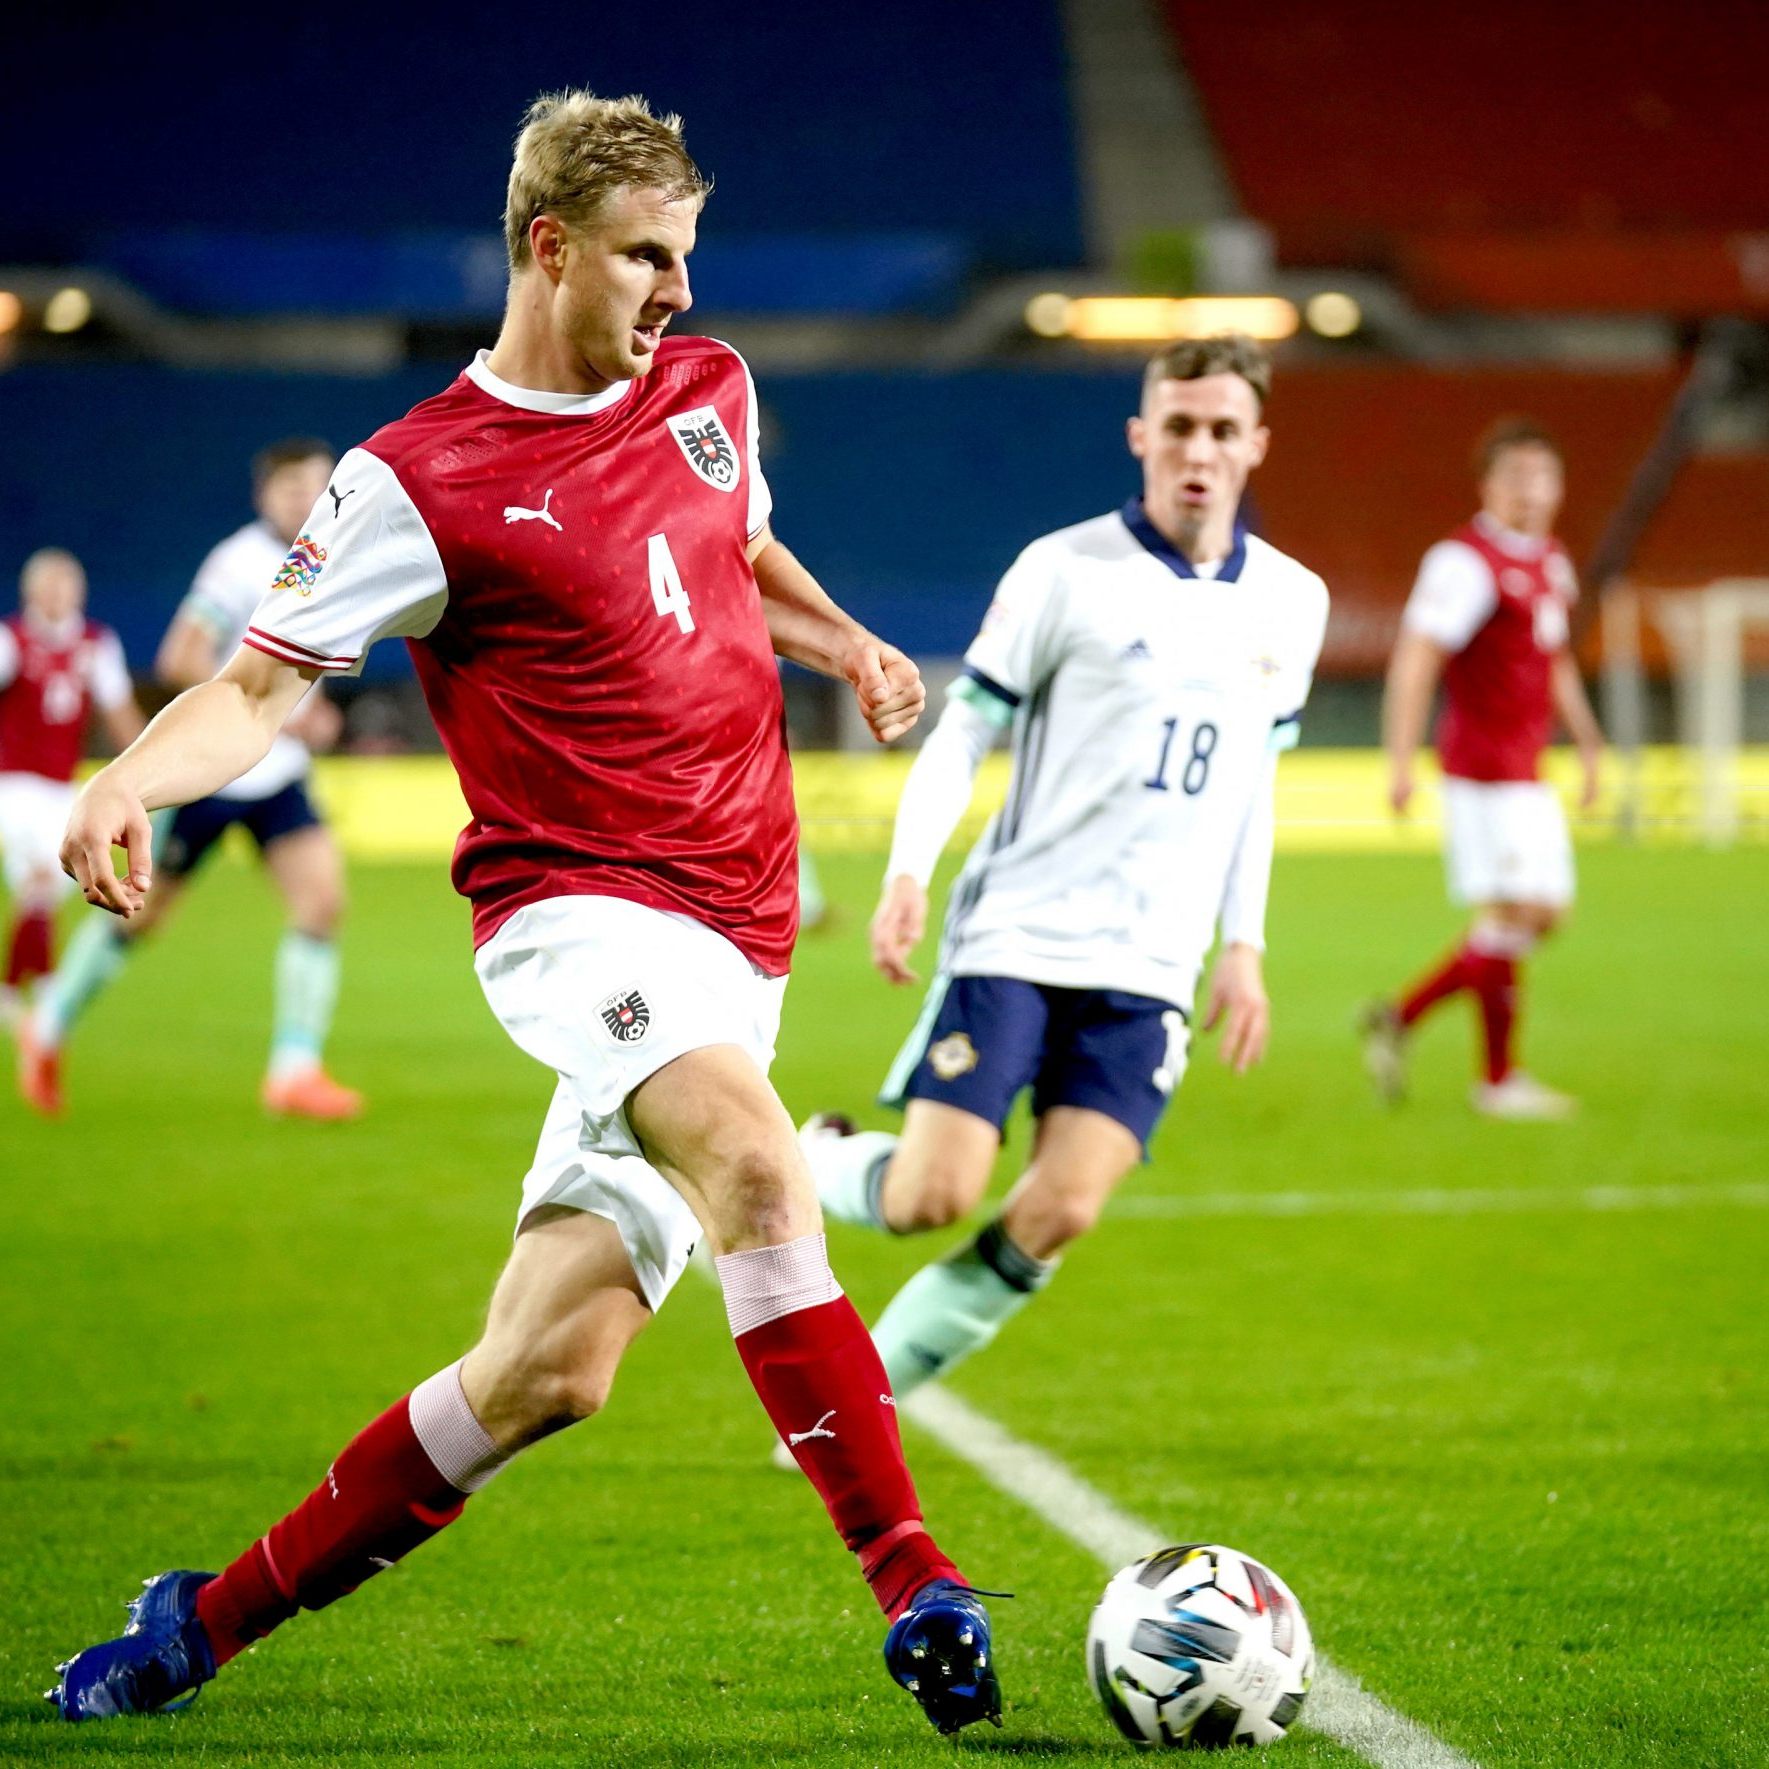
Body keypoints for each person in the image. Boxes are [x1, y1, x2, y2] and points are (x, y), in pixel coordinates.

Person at [47, 90, 999, 1738]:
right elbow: (263, 687)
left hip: (739, 928)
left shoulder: (708, 390)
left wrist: (840, 642)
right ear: (548, 249)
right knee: (761, 1164)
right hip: (579, 914)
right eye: (646, 258)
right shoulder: (414, 479)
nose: (677, 295)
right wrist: (132, 770)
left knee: (543, 1372)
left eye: (686, 258)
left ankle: (195, 1622)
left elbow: (740, 553)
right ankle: (919, 1580)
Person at [795, 334, 1327, 1409]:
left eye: (1222, 429)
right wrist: (908, 873)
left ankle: (856, 1411)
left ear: (1254, 444)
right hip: (1021, 932)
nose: (1198, 449)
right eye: (1178, 425)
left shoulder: (1290, 600)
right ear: (1140, 435)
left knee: (1062, 1208)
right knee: (929, 1194)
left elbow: (1249, 790)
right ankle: (809, 1162)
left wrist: (1246, 945)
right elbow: (962, 731)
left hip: (1153, 961)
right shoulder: (1063, 569)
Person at [17, 440, 361, 1120]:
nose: (305, 498)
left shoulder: (322, 555)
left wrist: (309, 717)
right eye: (292, 486)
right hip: (215, 772)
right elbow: (182, 656)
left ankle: (293, 1070)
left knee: (321, 902)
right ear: (264, 493)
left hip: (278, 777)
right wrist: (273, 713)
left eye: (317, 485)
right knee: (139, 919)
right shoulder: (236, 564)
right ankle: (49, 1019)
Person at [1360, 418, 1603, 1118]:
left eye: (1542, 476)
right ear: (1487, 485)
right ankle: (1497, 1079)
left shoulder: (1550, 561)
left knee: (1544, 913)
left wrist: (1586, 742)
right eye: (1515, 476)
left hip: (1527, 769)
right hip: (1479, 769)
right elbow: (1417, 656)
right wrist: (1399, 759)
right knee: (1512, 909)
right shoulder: (1462, 563)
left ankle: (1399, 1017)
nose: (1530, 490)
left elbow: (1551, 660)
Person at [0, 549, 142, 1039]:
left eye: (68, 585)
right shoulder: (10, 640)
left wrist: (147, 763)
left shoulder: (95, 644)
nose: (60, 595)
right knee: (40, 879)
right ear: (31, 592)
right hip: (14, 784)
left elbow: (118, 710)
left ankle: (24, 987)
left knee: (59, 884)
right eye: (50, 586)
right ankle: (33, 990)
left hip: (64, 787)